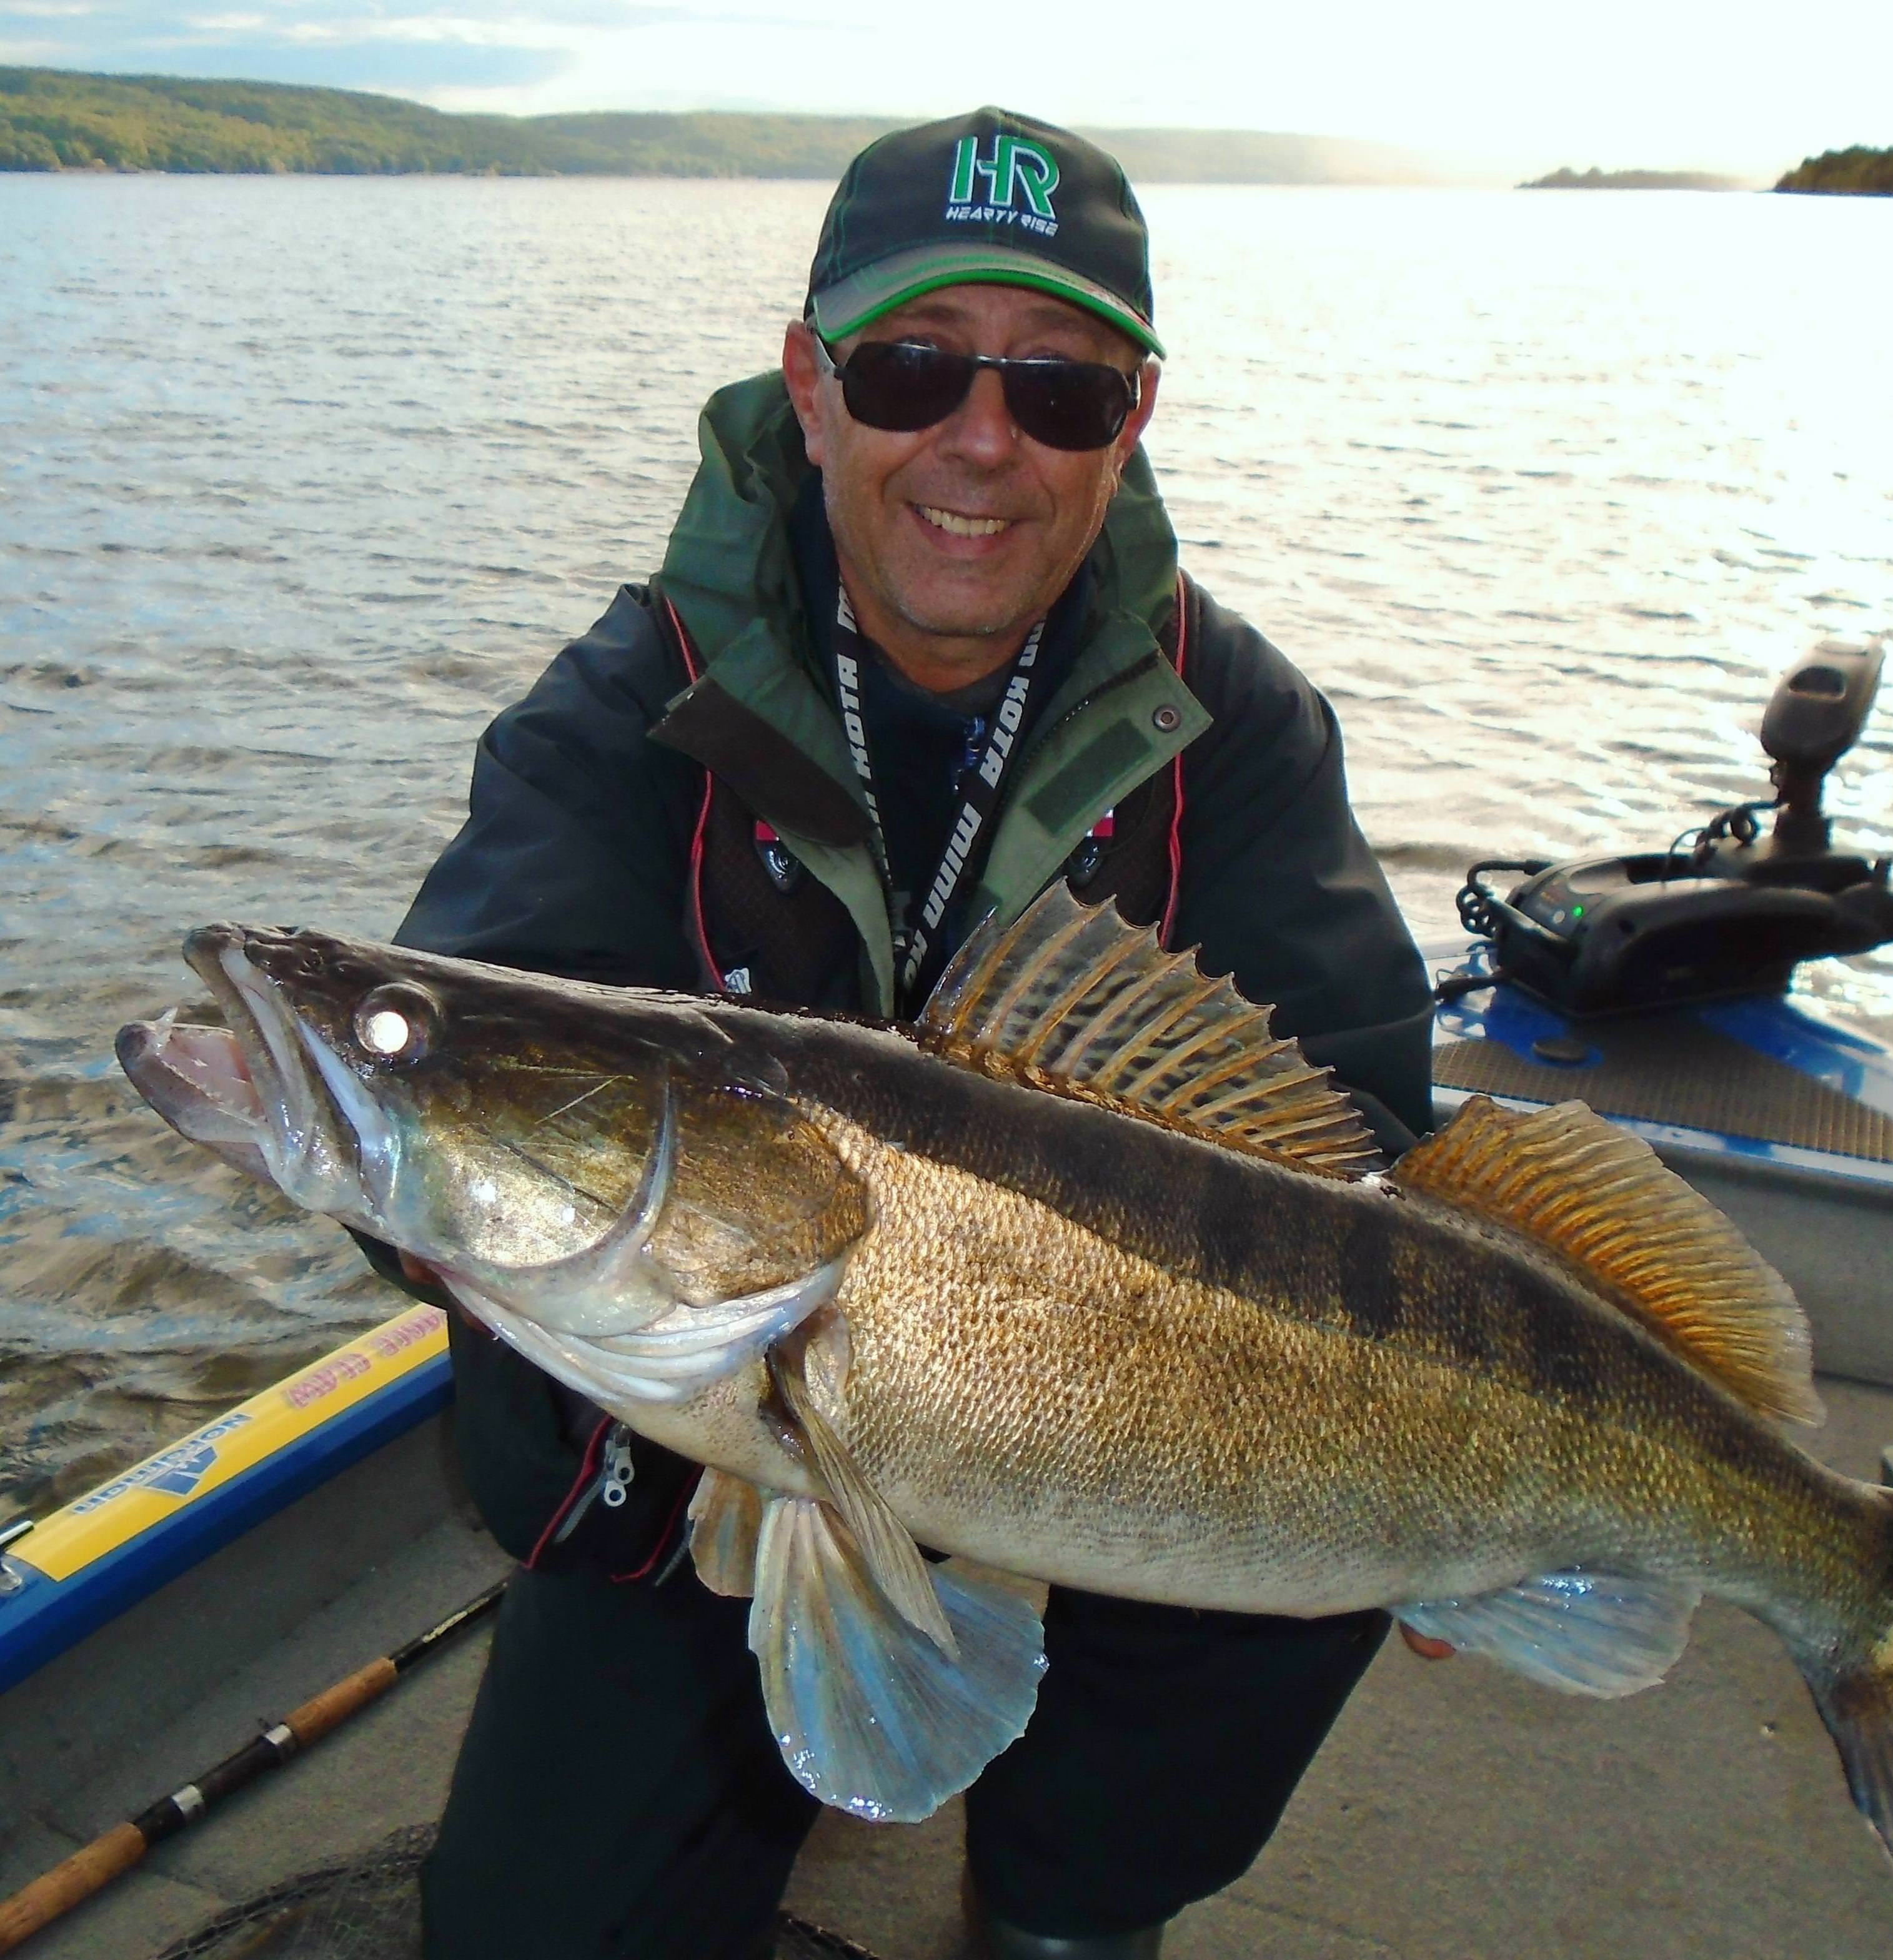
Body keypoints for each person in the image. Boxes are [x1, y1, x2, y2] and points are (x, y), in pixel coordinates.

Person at [372, 106, 1437, 1960]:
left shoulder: (1244, 732)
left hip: (1155, 1436)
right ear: (808, 383)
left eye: (1060, 392)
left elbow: (1355, 1126)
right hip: (714, 1448)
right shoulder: (627, 708)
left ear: (1138, 418)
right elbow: (469, 1101)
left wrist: (1466, 1487)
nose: (978, 439)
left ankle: (1067, 1901)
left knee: (1346, 1462)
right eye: (912, 365)